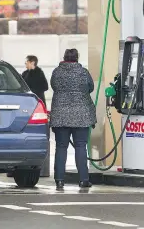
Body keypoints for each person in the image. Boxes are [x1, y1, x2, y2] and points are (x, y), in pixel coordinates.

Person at [49, 48, 96, 190]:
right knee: (81, 146)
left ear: (64, 57)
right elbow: (91, 87)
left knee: (61, 147)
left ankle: (59, 180)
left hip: (60, 115)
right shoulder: (83, 72)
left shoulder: (57, 72)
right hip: (81, 114)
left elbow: (53, 86)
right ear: (77, 58)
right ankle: (83, 180)